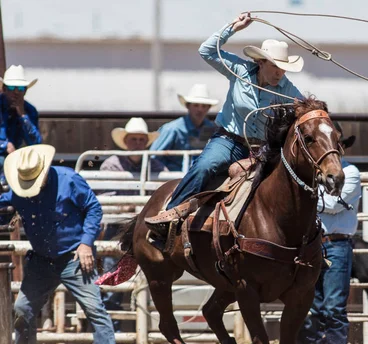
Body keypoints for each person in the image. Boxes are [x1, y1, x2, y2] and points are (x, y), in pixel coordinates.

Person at [145, 12, 304, 238]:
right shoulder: (239, 70)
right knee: (205, 166)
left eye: (283, 68)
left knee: (292, 180)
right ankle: (173, 214)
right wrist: (233, 27)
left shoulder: (286, 89)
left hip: (263, 149)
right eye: (274, 66)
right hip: (229, 141)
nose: (279, 73)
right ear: (261, 62)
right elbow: (206, 51)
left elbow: (306, 106)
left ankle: (307, 237)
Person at [0, 144, 123, 344]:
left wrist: (86, 243)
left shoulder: (69, 180)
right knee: (22, 308)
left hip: (75, 256)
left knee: (94, 308)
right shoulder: (17, 190)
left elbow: (93, 208)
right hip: (42, 260)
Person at [300, 123, 361, 344]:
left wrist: (309, 197)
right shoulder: (323, 175)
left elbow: (335, 205)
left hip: (336, 244)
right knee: (316, 307)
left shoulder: (351, 173)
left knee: (333, 307)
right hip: (317, 245)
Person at [99, 118, 166, 320]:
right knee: (116, 278)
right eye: (134, 139)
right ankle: (114, 332)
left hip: (147, 230)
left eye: (141, 139)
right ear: (126, 141)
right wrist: (134, 207)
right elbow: (105, 200)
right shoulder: (111, 165)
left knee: (153, 276)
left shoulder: (156, 165)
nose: (137, 143)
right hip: (119, 229)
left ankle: (144, 327)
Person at [149, 84, 219, 172]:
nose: (200, 110)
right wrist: (164, 171)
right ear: (188, 106)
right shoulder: (172, 129)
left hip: (198, 176)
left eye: (204, 106)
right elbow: (153, 157)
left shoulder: (211, 129)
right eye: (196, 105)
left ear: (208, 108)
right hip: (172, 177)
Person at [0, 65, 43, 172]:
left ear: (25, 91)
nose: (16, 92)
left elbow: (36, 143)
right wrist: (5, 145)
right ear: (4, 89)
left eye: (20, 88)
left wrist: (23, 115)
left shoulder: (30, 111)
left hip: (17, 158)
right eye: (11, 87)